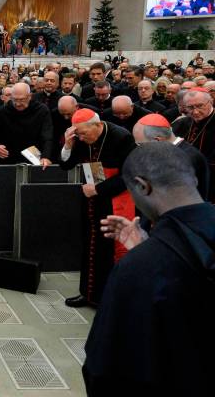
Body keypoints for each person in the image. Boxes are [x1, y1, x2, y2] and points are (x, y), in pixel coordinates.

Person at [83, 142, 215, 395]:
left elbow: (106, 367)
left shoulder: (137, 269)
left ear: (143, 186)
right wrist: (147, 246)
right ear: (194, 180)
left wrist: (144, 254)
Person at [59, 109, 137, 307]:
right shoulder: (81, 137)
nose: (82, 138)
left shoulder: (122, 137)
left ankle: (107, 298)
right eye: (79, 134)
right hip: (91, 196)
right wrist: (68, 145)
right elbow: (66, 165)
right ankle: (88, 293)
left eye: (84, 133)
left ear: (98, 125)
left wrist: (98, 189)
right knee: (90, 245)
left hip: (114, 198)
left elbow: (130, 174)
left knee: (107, 248)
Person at [132, 113, 209, 201]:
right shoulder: (165, 151)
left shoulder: (187, 158)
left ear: (157, 140)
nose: (139, 148)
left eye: (140, 144)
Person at [0, 82, 54, 166]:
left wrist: (45, 156)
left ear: (29, 96)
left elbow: (47, 136)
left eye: (22, 100)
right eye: (15, 99)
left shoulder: (41, 110)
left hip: (34, 159)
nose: (18, 104)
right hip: (7, 160)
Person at [172, 90, 215, 201]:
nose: (195, 112)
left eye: (200, 106)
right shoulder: (181, 123)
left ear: (210, 102)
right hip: (183, 182)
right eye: (190, 108)